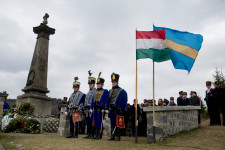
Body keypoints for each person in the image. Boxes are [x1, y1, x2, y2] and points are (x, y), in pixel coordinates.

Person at [106, 73, 128, 141]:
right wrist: (107, 108)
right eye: (112, 82)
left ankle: (118, 136)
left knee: (118, 123)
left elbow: (124, 100)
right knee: (112, 123)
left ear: (117, 82)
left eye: (114, 82)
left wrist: (120, 109)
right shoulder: (110, 91)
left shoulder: (122, 91)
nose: (113, 83)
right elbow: (107, 100)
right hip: (111, 109)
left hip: (118, 110)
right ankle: (113, 136)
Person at [90, 72, 108, 140]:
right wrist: (91, 107)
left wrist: (104, 108)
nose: (98, 85)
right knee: (96, 121)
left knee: (100, 122)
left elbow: (105, 100)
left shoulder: (105, 91)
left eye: (99, 84)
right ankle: (96, 134)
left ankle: (99, 135)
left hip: (100, 108)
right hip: (95, 108)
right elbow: (92, 100)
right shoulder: (95, 91)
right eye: (97, 84)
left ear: (102, 84)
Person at [83, 71, 97, 139]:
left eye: (91, 84)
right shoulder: (88, 92)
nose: (90, 85)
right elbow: (86, 101)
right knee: (88, 122)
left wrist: (93, 108)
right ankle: (88, 134)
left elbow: (94, 101)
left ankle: (92, 134)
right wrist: (85, 109)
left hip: (92, 109)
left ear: (94, 84)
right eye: (89, 84)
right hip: (87, 109)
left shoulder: (95, 91)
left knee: (92, 122)